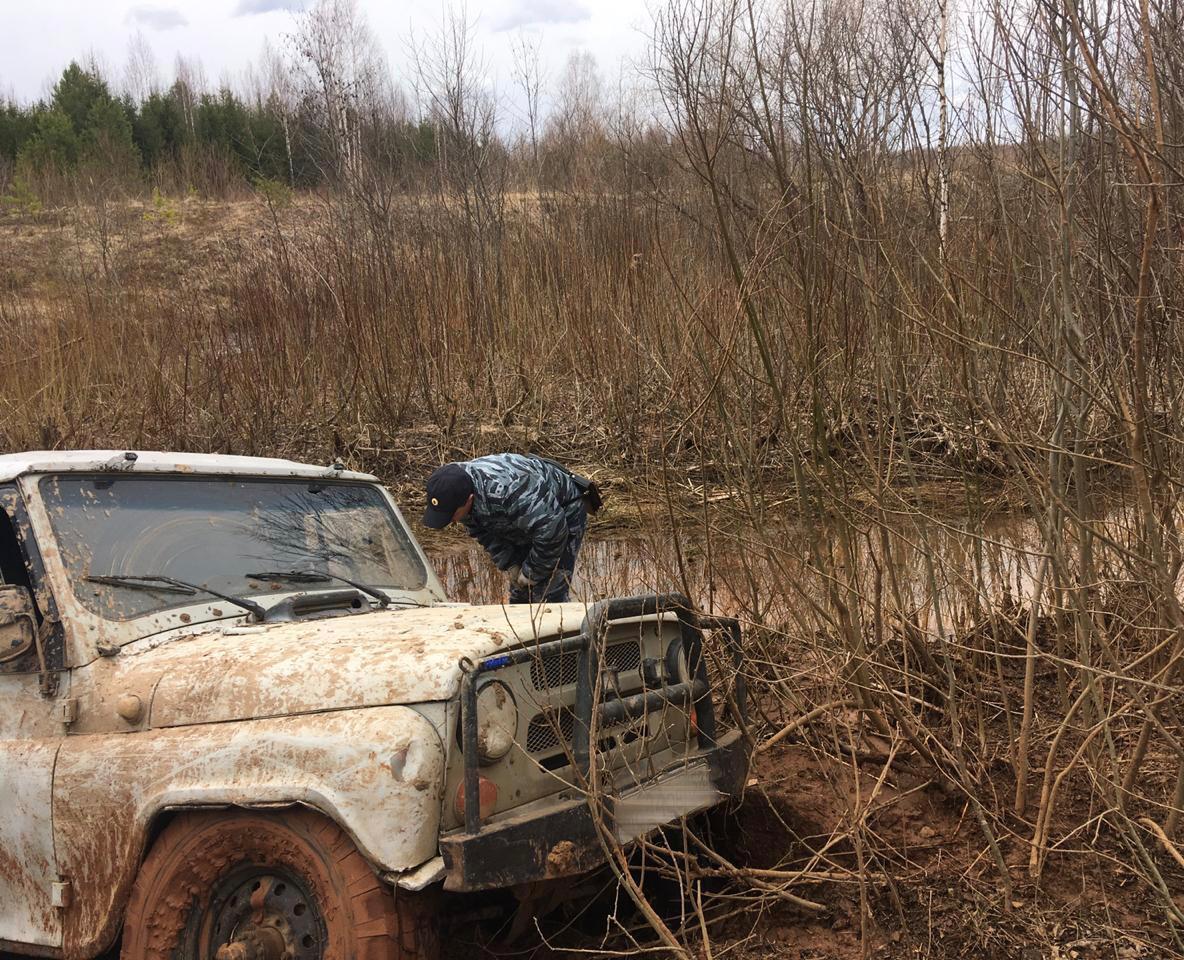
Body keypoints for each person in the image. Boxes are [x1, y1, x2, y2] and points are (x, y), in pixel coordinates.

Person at [422, 453, 598, 604]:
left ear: (469, 499)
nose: (451, 521)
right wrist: (511, 564)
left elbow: (552, 533)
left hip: (562, 512)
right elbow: (484, 532)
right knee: (520, 595)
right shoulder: (452, 487)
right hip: (520, 517)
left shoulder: (510, 490)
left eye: (452, 515)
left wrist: (532, 573)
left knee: (549, 596)